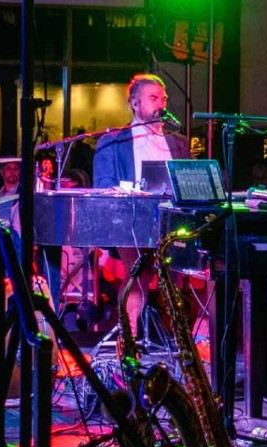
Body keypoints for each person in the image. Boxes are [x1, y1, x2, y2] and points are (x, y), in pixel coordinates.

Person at [93, 74, 191, 332]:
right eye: (154, 98)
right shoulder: (113, 141)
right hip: (130, 223)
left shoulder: (178, 143)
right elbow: (103, 187)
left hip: (172, 225)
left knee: (176, 280)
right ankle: (130, 336)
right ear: (135, 103)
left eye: (164, 98)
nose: (162, 103)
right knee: (137, 275)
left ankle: (179, 341)